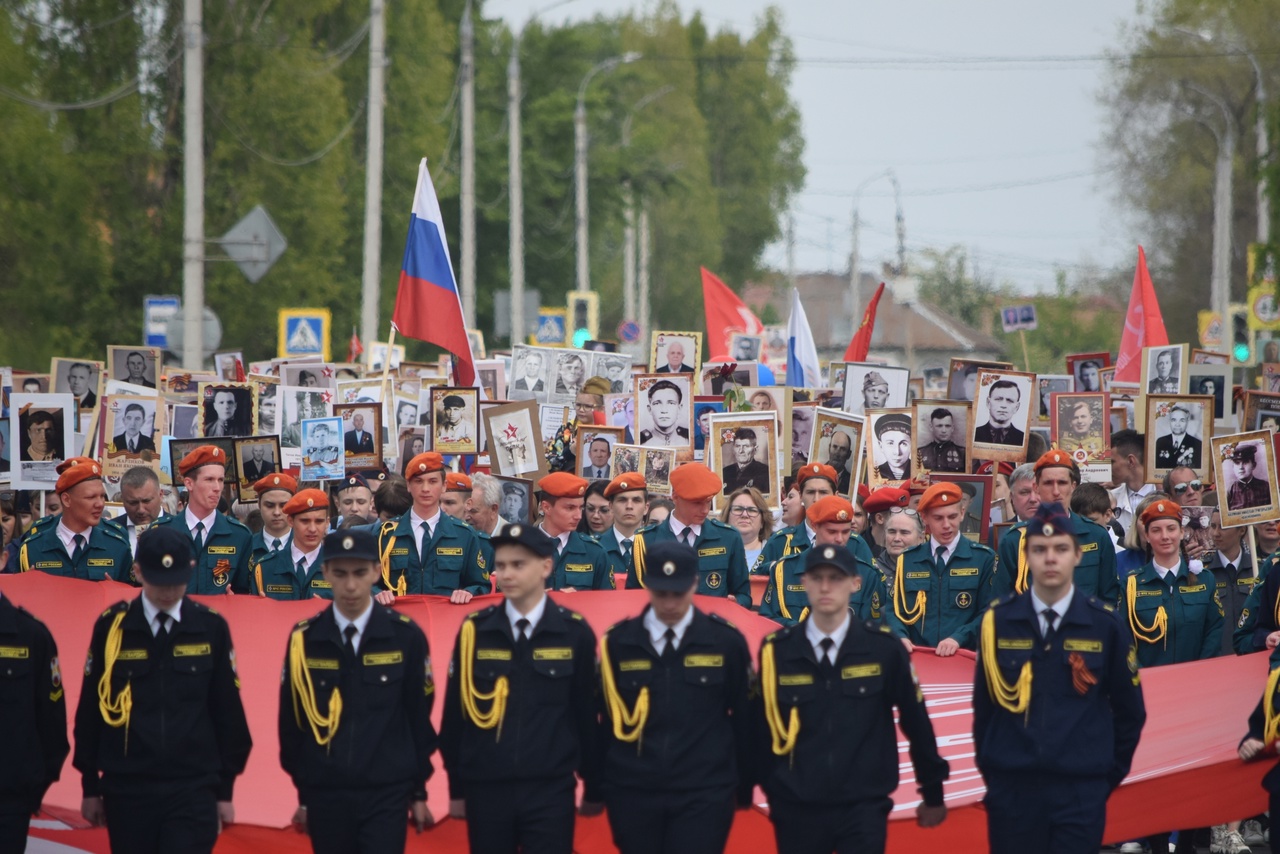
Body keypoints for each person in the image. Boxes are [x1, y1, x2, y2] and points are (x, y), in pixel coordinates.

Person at [973, 503, 1146, 854]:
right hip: (1014, 790)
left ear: (1077, 556)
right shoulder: (998, 623)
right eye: (1040, 550)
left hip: (1079, 792)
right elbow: (984, 711)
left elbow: (1130, 713)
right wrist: (998, 773)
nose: (1050, 558)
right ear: (1027, 556)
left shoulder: (1105, 625)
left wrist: (1101, 778)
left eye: (1060, 549)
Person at [756, 544, 949, 854]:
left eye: (836, 577)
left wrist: (933, 789)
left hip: (863, 804)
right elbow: (758, 726)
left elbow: (917, 722)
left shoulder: (884, 650)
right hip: (797, 805)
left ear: (855, 584)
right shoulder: (778, 651)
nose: (826, 587)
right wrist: (772, 789)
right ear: (804, 583)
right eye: (817, 577)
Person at [73, 526, 252, 854]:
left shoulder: (210, 626)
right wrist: (90, 785)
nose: (168, 591)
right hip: (128, 788)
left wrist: (225, 790)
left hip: (193, 787)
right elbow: (90, 709)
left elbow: (227, 711)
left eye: (176, 581)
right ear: (138, 571)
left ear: (192, 569)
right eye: (158, 581)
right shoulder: (113, 627)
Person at [439, 523, 601, 852]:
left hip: (550, 788)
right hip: (486, 788)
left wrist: (594, 785)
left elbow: (587, 714)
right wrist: (457, 788)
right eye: (500, 565)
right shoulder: (475, 631)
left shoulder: (574, 632)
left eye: (518, 564)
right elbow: (455, 716)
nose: (507, 574)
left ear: (546, 566)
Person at [278, 529, 437, 851]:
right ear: (325, 572)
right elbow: (292, 724)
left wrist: (418, 791)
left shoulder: (405, 636)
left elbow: (418, 717)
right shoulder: (304, 640)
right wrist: (305, 795)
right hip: (326, 793)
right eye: (340, 574)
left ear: (377, 571)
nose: (350, 585)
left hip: (387, 793)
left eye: (360, 573)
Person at [597, 541, 753, 853]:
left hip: (704, 790)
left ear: (694, 583)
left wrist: (744, 784)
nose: (669, 602)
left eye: (678, 592)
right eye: (661, 592)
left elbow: (747, 717)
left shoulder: (725, 641)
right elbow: (603, 716)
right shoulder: (619, 642)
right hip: (634, 789)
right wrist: (602, 782)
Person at [1121, 499, 1224, 854]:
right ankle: (1151, 834)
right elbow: (1123, 639)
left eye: (1171, 529)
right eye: (1156, 530)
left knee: (1191, 771)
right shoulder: (1132, 585)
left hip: (1194, 693)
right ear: (1145, 536)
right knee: (1151, 768)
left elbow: (1214, 631)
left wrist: (1198, 677)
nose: (1164, 536)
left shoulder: (1204, 579)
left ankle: (1185, 840)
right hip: (1149, 692)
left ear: (1182, 533)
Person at [996, 452, 1119, 607]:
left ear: (1073, 486)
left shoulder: (1096, 536)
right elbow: (1001, 603)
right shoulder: (1014, 540)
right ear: (1037, 487)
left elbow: (1108, 599)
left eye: (1062, 483)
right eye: (1048, 483)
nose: (1056, 491)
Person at [892, 482, 997, 655]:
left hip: (963, 655)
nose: (947, 525)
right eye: (938, 518)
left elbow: (989, 611)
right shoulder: (907, 560)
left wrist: (959, 637)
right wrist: (900, 635)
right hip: (918, 655)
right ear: (925, 518)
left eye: (952, 516)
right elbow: (894, 609)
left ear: (962, 513)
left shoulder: (983, 559)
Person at [760, 495, 895, 630]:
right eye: (832, 531)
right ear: (814, 526)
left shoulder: (865, 573)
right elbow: (767, 619)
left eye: (845, 532)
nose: (839, 539)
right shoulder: (784, 570)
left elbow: (872, 627)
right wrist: (800, 629)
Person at [0, 588, 69, 850]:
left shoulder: (31, 636)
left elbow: (52, 722)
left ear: (4, 558)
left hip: (8, 803)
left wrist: (29, 792)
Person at [629, 463, 751, 606]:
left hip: (711, 624)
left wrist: (735, 603)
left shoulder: (728, 538)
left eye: (708, 502)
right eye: (697, 503)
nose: (705, 510)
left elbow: (744, 595)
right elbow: (633, 598)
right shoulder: (645, 540)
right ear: (675, 498)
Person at [376, 452, 489, 600]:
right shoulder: (385, 534)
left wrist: (468, 592)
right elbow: (365, 582)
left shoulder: (464, 535)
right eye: (418, 481)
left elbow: (482, 585)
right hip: (399, 620)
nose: (425, 488)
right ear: (408, 485)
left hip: (446, 621)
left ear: (444, 486)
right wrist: (377, 594)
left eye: (433, 481)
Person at [150, 445, 253, 594]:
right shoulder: (160, 532)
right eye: (209, 479)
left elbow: (244, 591)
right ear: (189, 483)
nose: (217, 487)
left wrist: (235, 600)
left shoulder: (239, 535)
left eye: (220, 480)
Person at [18, 457, 133, 581]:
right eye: (91, 497)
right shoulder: (33, 548)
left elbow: (131, 596)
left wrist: (115, 595)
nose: (100, 504)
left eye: (102, 496)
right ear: (66, 500)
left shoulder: (116, 546)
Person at [754, 464, 876, 577]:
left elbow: (874, 584)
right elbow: (755, 580)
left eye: (823, 492)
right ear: (801, 496)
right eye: (810, 492)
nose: (816, 499)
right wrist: (775, 568)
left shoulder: (855, 543)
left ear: (836, 495)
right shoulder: (780, 541)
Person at [249, 488, 333, 600]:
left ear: (327, 522)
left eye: (319, 521)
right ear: (291, 521)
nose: (312, 529)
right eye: (305, 521)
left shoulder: (340, 568)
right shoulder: (265, 569)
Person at [535, 472, 612, 590]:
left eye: (581, 507)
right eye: (570, 508)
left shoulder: (594, 552)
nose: (578, 516)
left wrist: (579, 601)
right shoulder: (518, 549)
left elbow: (607, 602)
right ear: (546, 507)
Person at [597, 474, 648, 582]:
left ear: (646, 508)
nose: (629, 506)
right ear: (611, 506)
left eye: (636, 500)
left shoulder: (655, 547)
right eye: (622, 500)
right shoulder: (596, 547)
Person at [1109, 430, 1154, 535]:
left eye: (1112, 462)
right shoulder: (1110, 498)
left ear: (1131, 461)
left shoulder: (1166, 495)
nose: (1108, 467)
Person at [115, 465, 166, 557]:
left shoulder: (180, 529)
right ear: (122, 499)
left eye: (146, 501)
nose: (141, 510)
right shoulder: (110, 531)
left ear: (161, 495)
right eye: (133, 503)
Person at [874, 504, 924, 591]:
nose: (897, 538)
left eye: (904, 532)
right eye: (892, 532)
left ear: (921, 538)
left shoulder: (930, 570)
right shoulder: (872, 571)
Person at [250, 472, 296, 562]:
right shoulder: (247, 547)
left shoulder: (304, 547)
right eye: (269, 505)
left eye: (283, 505)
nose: (277, 512)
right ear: (259, 504)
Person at [722, 486, 772, 568]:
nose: (744, 515)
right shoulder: (715, 552)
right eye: (738, 509)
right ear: (727, 516)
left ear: (763, 521)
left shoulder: (773, 552)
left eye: (752, 510)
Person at [974, 380, 1025, 446]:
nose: (1003, 405)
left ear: (1016, 407)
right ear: (988, 403)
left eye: (1010, 400)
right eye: (998, 399)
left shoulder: (1023, 438)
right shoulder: (973, 434)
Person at [639, 380, 689, 447]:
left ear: (679, 408)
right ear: (650, 409)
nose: (664, 410)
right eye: (657, 403)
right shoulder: (640, 441)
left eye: (671, 403)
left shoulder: (688, 439)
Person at [721, 427, 769, 493]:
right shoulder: (724, 472)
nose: (741, 451)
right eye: (737, 446)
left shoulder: (765, 472)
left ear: (755, 449)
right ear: (733, 449)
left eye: (746, 446)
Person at [1154, 403, 1201, 470]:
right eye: (1173, 420)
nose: (1177, 424)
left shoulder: (1197, 444)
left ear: (1187, 422)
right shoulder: (1161, 442)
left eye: (1182, 420)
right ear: (1170, 421)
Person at [918, 407, 965, 473]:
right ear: (931, 427)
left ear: (952, 428)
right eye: (939, 426)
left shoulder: (963, 453)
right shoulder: (920, 453)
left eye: (947, 426)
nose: (944, 430)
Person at [1228, 444, 1271, 510]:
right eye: (1237, 463)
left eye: (1245, 462)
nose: (1241, 467)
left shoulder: (1265, 487)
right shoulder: (1230, 490)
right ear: (1233, 467)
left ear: (1253, 465)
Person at [873, 413, 911, 481]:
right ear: (881, 446)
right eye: (890, 443)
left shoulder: (919, 473)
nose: (897, 452)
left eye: (903, 443)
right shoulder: (875, 474)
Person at [466, 472, 506, 537]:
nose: (466, 517)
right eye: (464, 510)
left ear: (493, 509)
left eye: (473, 511)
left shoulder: (513, 543)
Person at [825, 428, 854, 494]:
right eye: (835, 447)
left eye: (842, 449)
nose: (837, 453)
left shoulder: (851, 482)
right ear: (829, 448)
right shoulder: (817, 473)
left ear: (848, 454)